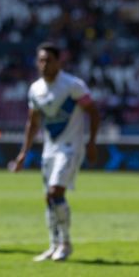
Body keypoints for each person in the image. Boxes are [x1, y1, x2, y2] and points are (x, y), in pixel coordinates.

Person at [10, 42, 100, 262]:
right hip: (50, 149)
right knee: (48, 197)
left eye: (48, 60)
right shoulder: (35, 89)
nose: (44, 64)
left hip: (70, 147)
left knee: (55, 192)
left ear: (59, 62)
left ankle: (66, 243)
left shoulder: (73, 86)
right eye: (40, 60)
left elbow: (94, 113)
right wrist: (23, 153)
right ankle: (53, 244)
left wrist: (91, 143)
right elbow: (32, 123)